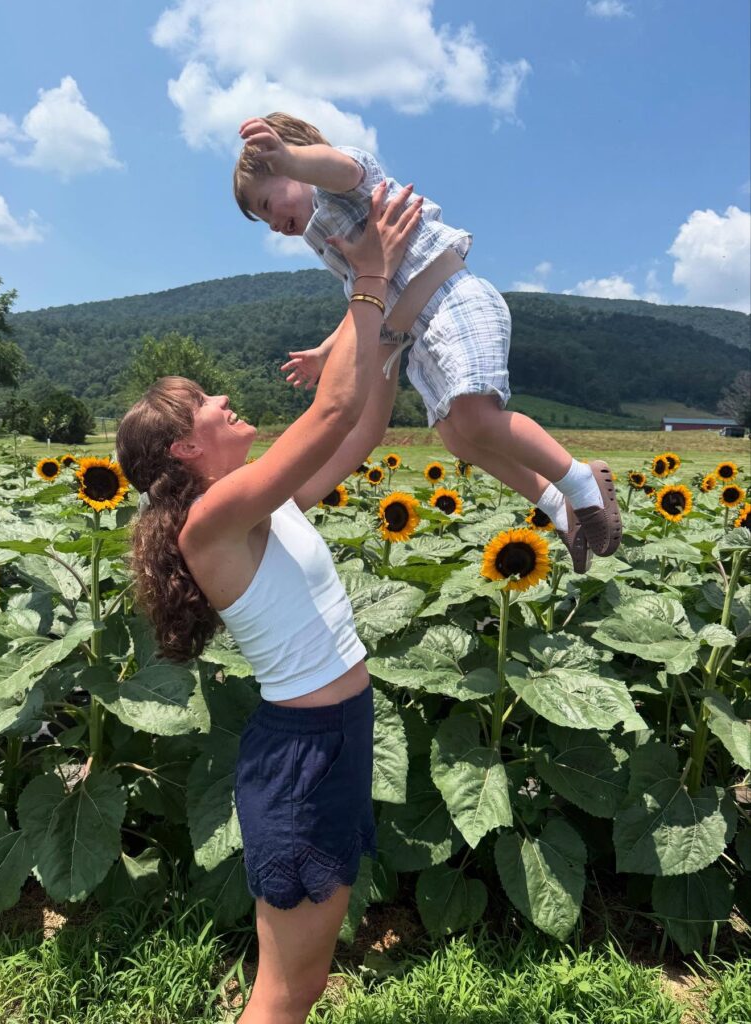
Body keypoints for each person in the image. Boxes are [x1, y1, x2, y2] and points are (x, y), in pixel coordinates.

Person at [115, 182, 421, 1024]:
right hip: (303, 755)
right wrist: (365, 278)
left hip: (336, 736)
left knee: (304, 981)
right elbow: (325, 413)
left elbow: (355, 427)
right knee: (286, 992)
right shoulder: (212, 520)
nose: (224, 400)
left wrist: (391, 324)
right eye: (206, 403)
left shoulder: (260, 504)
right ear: (185, 446)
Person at [233, 112, 623, 572]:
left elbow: (339, 168)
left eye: (266, 203)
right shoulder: (327, 240)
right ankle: (560, 505)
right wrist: (325, 350)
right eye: (260, 220)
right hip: (419, 338)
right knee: (461, 438)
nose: (272, 224)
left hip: (453, 303)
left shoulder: (345, 186)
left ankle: (582, 481)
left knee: (477, 418)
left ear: (290, 163)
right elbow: (365, 295)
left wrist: (292, 159)